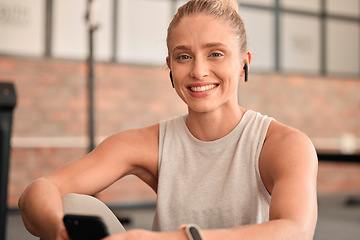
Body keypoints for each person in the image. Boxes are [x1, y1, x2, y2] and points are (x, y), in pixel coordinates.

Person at [18, 0, 318, 239]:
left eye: (215, 54)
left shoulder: (283, 144)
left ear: (244, 63)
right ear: (170, 67)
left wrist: (177, 238)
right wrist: (60, 231)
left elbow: (296, 230)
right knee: (72, 206)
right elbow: (41, 189)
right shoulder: (146, 143)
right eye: (184, 56)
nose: (199, 71)